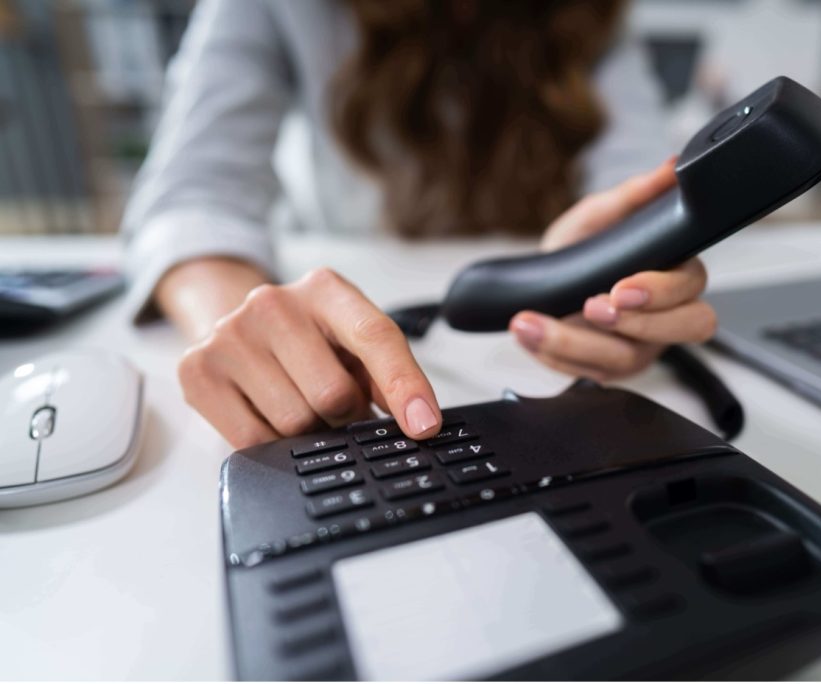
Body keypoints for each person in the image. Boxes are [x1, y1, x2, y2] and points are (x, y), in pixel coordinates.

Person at [122, 0, 717, 449]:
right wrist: (237, 318)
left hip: (536, 333)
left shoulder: (590, 13)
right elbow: (192, 194)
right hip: (351, 312)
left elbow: (633, 179)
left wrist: (621, 270)